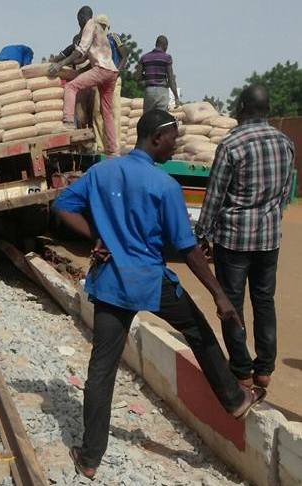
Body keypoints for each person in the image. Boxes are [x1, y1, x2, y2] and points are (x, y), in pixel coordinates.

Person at [53, 110, 266, 480]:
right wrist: (219, 294)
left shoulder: (101, 172)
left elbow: (62, 206)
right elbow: (188, 249)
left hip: (111, 283)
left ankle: (89, 458)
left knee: (101, 370)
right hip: (150, 281)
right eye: (172, 138)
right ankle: (234, 400)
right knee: (198, 330)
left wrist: (96, 237)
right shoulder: (164, 185)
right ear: (154, 138)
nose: (175, 144)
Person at [196, 85, 295, 390]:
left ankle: (240, 369)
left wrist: (202, 234)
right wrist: (271, 218)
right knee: (264, 300)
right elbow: (284, 193)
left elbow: (214, 196)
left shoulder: (231, 144)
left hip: (234, 239)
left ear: (241, 107)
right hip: (268, 239)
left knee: (232, 303)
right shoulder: (285, 142)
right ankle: (264, 368)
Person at [49, 6, 119, 156]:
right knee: (106, 112)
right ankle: (113, 149)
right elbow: (92, 56)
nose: (78, 24)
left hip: (101, 70)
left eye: (78, 20)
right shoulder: (101, 31)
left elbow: (80, 51)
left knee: (71, 87)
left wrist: (60, 65)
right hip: (112, 72)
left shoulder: (89, 25)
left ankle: (68, 123)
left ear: (81, 17)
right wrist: (79, 70)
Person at [92, 14, 128, 153]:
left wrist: (116, 71)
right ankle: (101, 145)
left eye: (102, 25)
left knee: (114, 112)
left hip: (113, 79)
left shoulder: (114, 37)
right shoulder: (94, 42)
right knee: (97, 113)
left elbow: (124, 55)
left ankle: (114, 146)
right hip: (99, 79)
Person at [136, 36, 181, 112]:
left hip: (149, 91)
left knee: (148, 117)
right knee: (162, 117)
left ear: (156, 44)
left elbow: (137, 77)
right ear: (165, 46)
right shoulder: (167, 58)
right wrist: (176, 97)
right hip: (162, 91)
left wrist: (147, 77)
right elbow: (171, 79)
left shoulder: (144, 57)